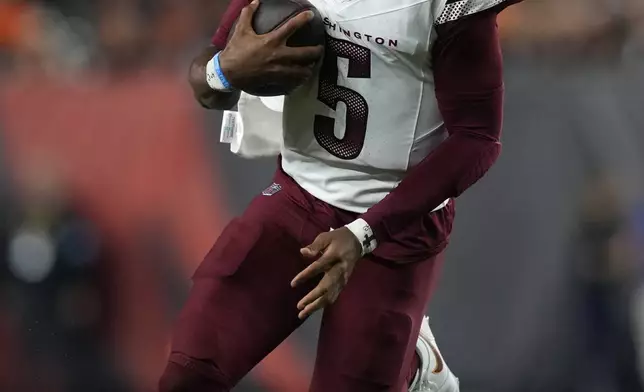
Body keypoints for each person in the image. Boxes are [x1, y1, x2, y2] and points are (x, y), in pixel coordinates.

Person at [160, 0, 522, 391]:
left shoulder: (446, 7)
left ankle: (415, 369)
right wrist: (223, 73)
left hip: (395, 226)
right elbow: (208, 77)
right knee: (189, 374)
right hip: (297, 195)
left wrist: (365, 232)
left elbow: (477, 139)